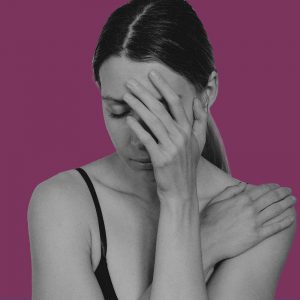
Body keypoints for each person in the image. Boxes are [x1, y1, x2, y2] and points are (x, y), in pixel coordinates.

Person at [27, 0, 297, 299]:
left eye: (159, 110)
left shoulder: (256, 214)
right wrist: (203, 242)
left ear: (206, 94)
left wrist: (178, 200)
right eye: (117, 111)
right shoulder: (63, 202)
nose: (139, 138)